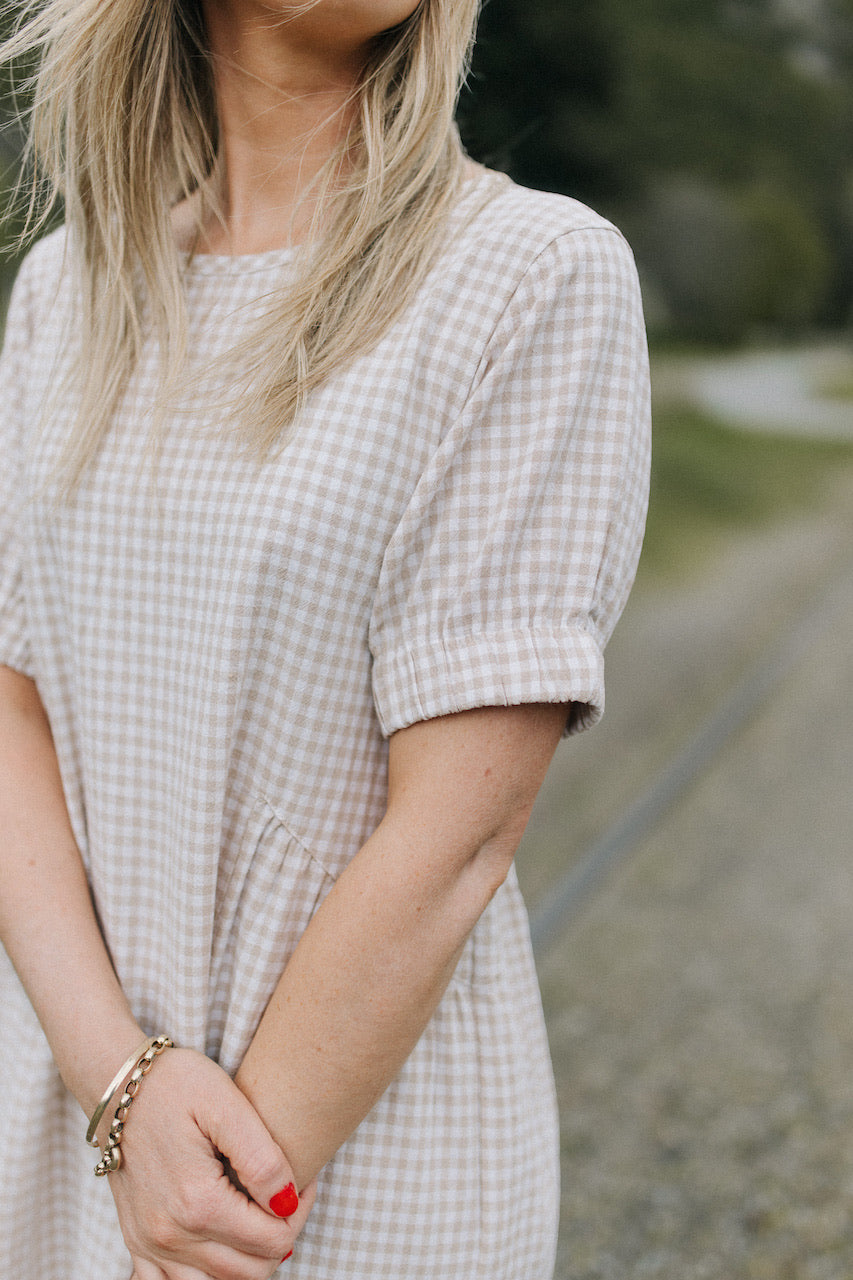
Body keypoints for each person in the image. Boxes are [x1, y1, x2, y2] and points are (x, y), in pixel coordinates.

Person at [0, 0, 651, 1276]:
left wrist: (209, 1210)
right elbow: (11, 703)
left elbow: (455, 834)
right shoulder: (60, 295)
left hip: (343, 1160)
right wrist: (119, 1089)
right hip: (72, 1125)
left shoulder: (528, 273)